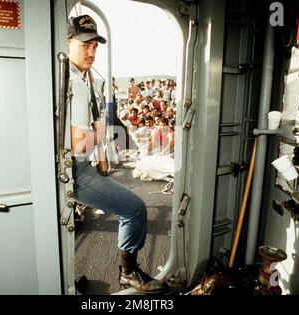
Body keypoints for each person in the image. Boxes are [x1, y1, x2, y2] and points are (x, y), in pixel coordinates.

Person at [66, 14, 168, 294]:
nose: (92, 51)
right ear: (67, 43)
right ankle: (129, 273)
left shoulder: (73, 76)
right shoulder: (75, 82)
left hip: (61, 167)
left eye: (95, 46)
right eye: (84, 44)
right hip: (74, 169)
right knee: (134, 208)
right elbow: (78, 147)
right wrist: (101, 130)